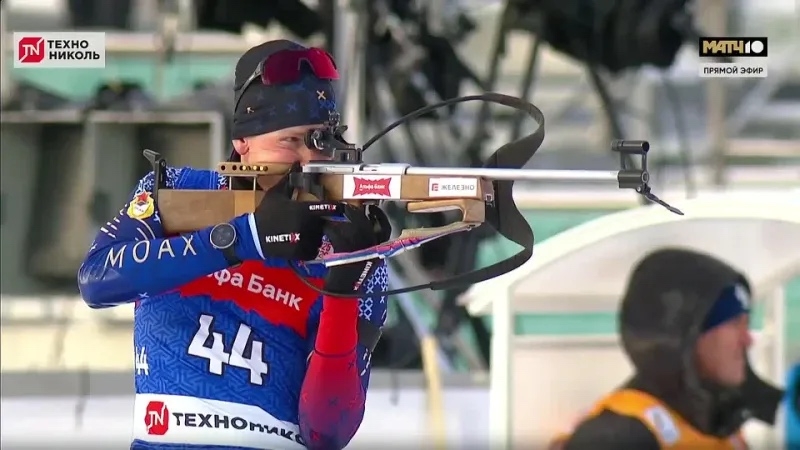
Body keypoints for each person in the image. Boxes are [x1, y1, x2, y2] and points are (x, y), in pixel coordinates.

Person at [78, 40, 390, 450]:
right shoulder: (180, 191)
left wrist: (343, 291)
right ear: (243, 142)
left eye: (321, 141)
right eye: (291, 141)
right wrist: (244, 238)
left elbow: (327, 431)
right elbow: (97, 280)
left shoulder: (347, 246)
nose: (309, 160)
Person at [551, 248, 784, 450]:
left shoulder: (720, 426)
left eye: (747, 324)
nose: (747, 340)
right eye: (734, 324)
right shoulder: (616, 436)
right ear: (688, 336)